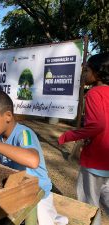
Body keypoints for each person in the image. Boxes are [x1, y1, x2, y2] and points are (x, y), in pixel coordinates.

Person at [0, 90, 68, 225]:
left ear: (8, 116)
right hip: (17, 191)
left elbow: (33, 161)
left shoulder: (24, 134)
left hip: (38, 195)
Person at [58, 52, 109, 225]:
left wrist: (68, 135)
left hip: (95, 161)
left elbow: (98, 125)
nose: (84, 74)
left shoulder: (94, 94)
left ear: (98, 73)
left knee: (88, 203)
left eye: (87, 70)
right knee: (105, 196)